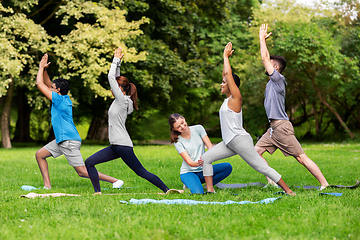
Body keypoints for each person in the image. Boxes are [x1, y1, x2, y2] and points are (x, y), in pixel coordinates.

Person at [201, 42, 296, 195]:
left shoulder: (236, 98)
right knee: (206, 158)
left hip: (239, 140)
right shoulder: (226, 100)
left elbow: (228, 76)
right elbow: (226, 75)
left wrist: (226, 57)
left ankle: (289, 191)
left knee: (261, 167)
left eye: (224, 83)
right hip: (229, 141)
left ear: (232, 86)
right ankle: (210, 191)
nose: (221, 83)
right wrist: (225, 59)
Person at [85, 47, 174, 195]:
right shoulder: (122, 99)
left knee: (141, 172)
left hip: (122, 145)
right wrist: (118, 63)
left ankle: (167, 190)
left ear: (121, 89)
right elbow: (116, 80)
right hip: (116, 145)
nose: (111, 88)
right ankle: (97, 193)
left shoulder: (122, 100)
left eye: (115, 87)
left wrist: (115, 60)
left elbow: (111, 77)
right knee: (89, 162)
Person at [254, 24, 329, 190]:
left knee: (301, 157)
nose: (265, 64)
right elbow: (266, 59)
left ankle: (324, 183)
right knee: (255, 153)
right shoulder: (270, 84)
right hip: (272, 129)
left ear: (276, 68)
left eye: (269, 63)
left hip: (281, 127)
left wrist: (261, 39)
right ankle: (272, 182)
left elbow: (264, 58)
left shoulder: (278, 80)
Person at [35, 54, 123, 189]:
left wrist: (40, 68)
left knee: (82, 172)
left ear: (57, 90)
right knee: (40, 155)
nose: (50, 88)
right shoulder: (62, 98)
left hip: (68, 140)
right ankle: (47, 186)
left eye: (52, 88)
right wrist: (45, 69)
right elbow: (46, 83)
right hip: (62, 139)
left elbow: (39, 84)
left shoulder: (59, 100)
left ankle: (115, 181)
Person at [168, 113, 232, 194]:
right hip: (189, 172)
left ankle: (208, 185)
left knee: (227, 167)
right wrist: (200, 163)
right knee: (198, 193)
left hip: (204, 170)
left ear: (184, 118)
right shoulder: (177, 142)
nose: (182, 126)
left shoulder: (198, 128)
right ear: (174, 129)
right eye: (178, 127)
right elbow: (189, 162)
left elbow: (210, 147)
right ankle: (188, 186)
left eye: (182, 122)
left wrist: (209, 158)